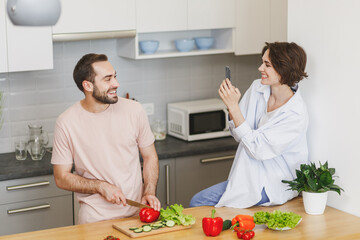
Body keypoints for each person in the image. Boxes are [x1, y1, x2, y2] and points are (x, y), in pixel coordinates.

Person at [190, 42, 309, 208]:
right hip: (248, 174)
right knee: (200, 201)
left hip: (273, 183)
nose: (260, 68)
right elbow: (238, 134)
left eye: (267, 64)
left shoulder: (295, 114)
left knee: (199, 202)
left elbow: (258, 150)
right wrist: (232, 107)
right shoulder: (257, 88)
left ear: (284, 68)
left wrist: (233, 106)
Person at [51, 53, 160, 224]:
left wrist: (149, 192)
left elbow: (150, 156)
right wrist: (100, 186)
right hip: (94, 220)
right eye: (107, 79)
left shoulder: (134, 110)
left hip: (137, 215)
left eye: (115, 76)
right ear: (87, 85)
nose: (116, 84)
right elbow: (61, 177)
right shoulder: (66, 122)